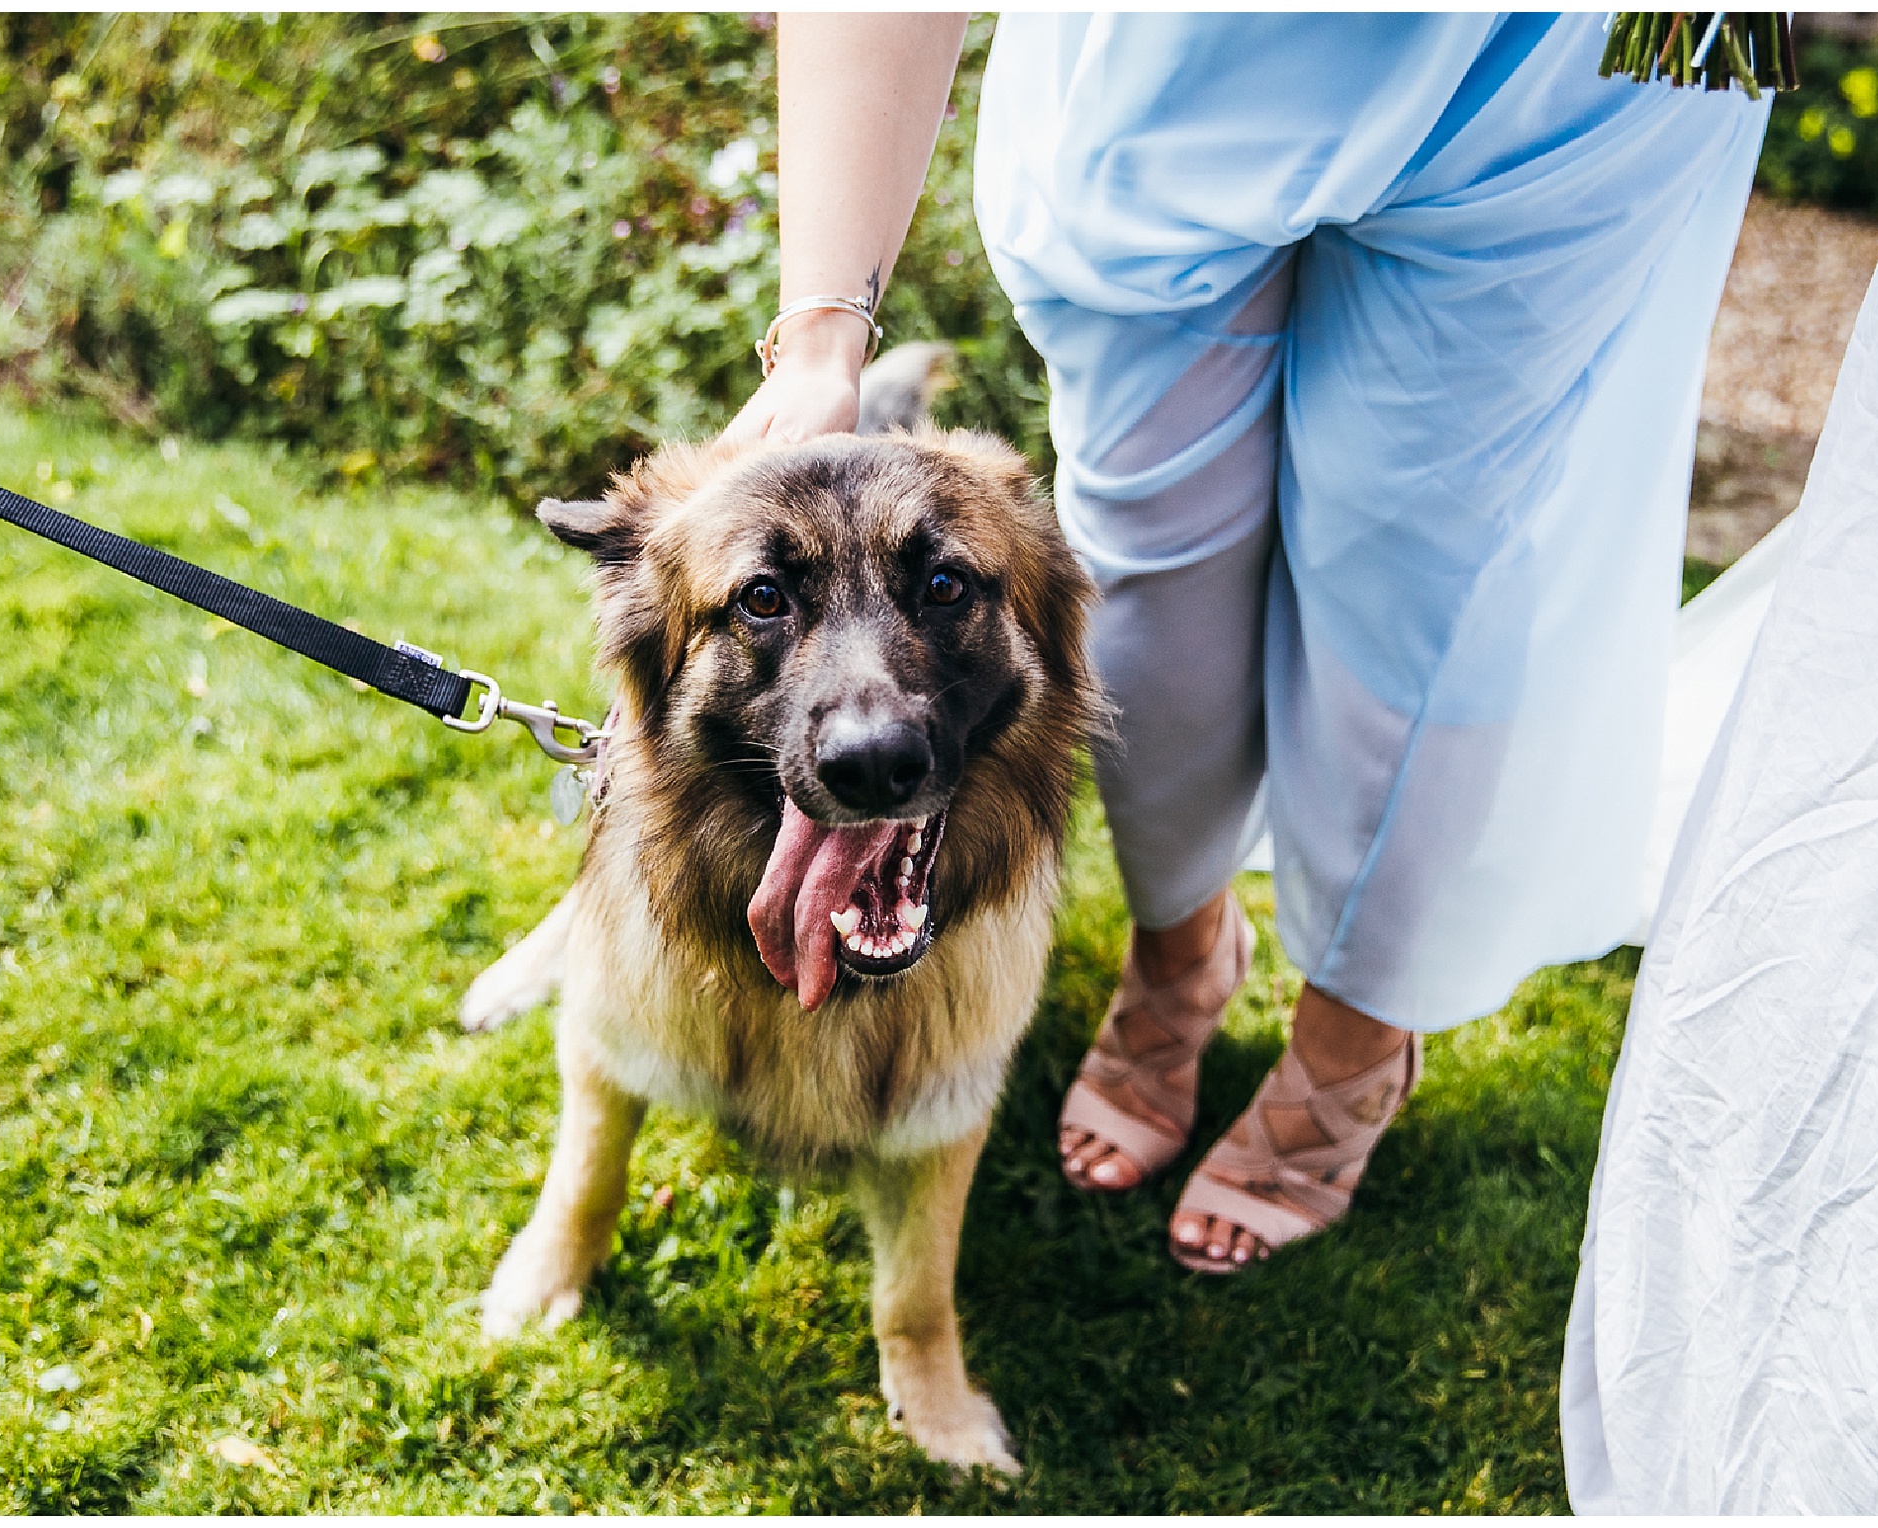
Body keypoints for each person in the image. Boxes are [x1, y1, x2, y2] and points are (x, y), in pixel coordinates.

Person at [725, 13, 1769, 1272]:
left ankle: (1352, 1043)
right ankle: (1177, 954)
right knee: (1145, 561)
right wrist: (826, 326)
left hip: (1543, 68)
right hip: (1179, 58)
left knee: (1438, 564)